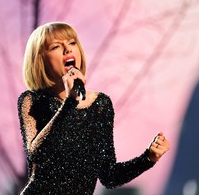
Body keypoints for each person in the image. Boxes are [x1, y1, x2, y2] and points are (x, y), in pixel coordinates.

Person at [17, 22, 170, 195]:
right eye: (56, 47)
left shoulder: (101, 104)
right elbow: (37, 154)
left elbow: (109, 177)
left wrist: (148, 158)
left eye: (72, 43)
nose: (68, 50)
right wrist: (70, 103)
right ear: (40, 59)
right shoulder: (31, 100)